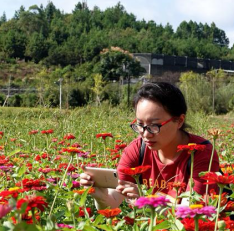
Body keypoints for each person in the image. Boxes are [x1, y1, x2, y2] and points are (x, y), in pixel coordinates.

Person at [79, 82, 220, 209]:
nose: (145, 134)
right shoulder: (137, 149)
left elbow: (190, 212)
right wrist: (100, 195)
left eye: (154, 125)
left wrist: (146, 201)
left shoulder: (200, 153)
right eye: (140, 124)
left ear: (179, 121)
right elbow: (114, 200)